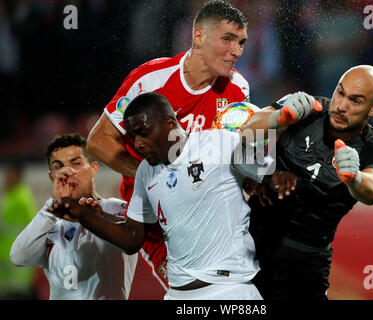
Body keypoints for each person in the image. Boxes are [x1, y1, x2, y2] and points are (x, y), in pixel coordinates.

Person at [86, 0, 249, 291]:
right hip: (153, 221)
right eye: (227, 39)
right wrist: (154, 180)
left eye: (241, 42)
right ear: (198, 36)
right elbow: (98, 141)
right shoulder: (151, 79)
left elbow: (233, 153)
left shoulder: (238, 89)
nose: (236, 51)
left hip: (206, 215)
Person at [49, 92, 270, 300]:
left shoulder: (219, 143)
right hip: (177, 295)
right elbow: (131, 238)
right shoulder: (146, 171)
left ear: (170, 124)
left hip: (229, 292)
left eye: (143, 133)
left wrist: (269, 180)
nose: (138, 144)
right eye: (133, 137)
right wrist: (83, 215)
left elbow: (272, 175)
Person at [239, 65, 373, 300]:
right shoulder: (308, 108)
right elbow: (246, 131)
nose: (341, 106)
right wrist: (277, 117)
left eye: (355, 101)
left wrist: (355, 177)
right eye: (340, 93)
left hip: (304, 267)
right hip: (248, 247)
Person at [10, 134, 138, 300]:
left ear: (94, 168)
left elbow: (130, 241)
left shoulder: (115, 209)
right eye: (58, 167)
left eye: (76, 163)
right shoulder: (50, 224)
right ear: (52, 177)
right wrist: (53, 204)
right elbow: (19, 256)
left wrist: (97, 217)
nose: (67, 172)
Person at [0, 163, 36, 299]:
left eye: (9, 175)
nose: (6, 178)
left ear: (18, 176)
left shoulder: (19, 199)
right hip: (10, 260)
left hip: (16, 261)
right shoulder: (13, 197)